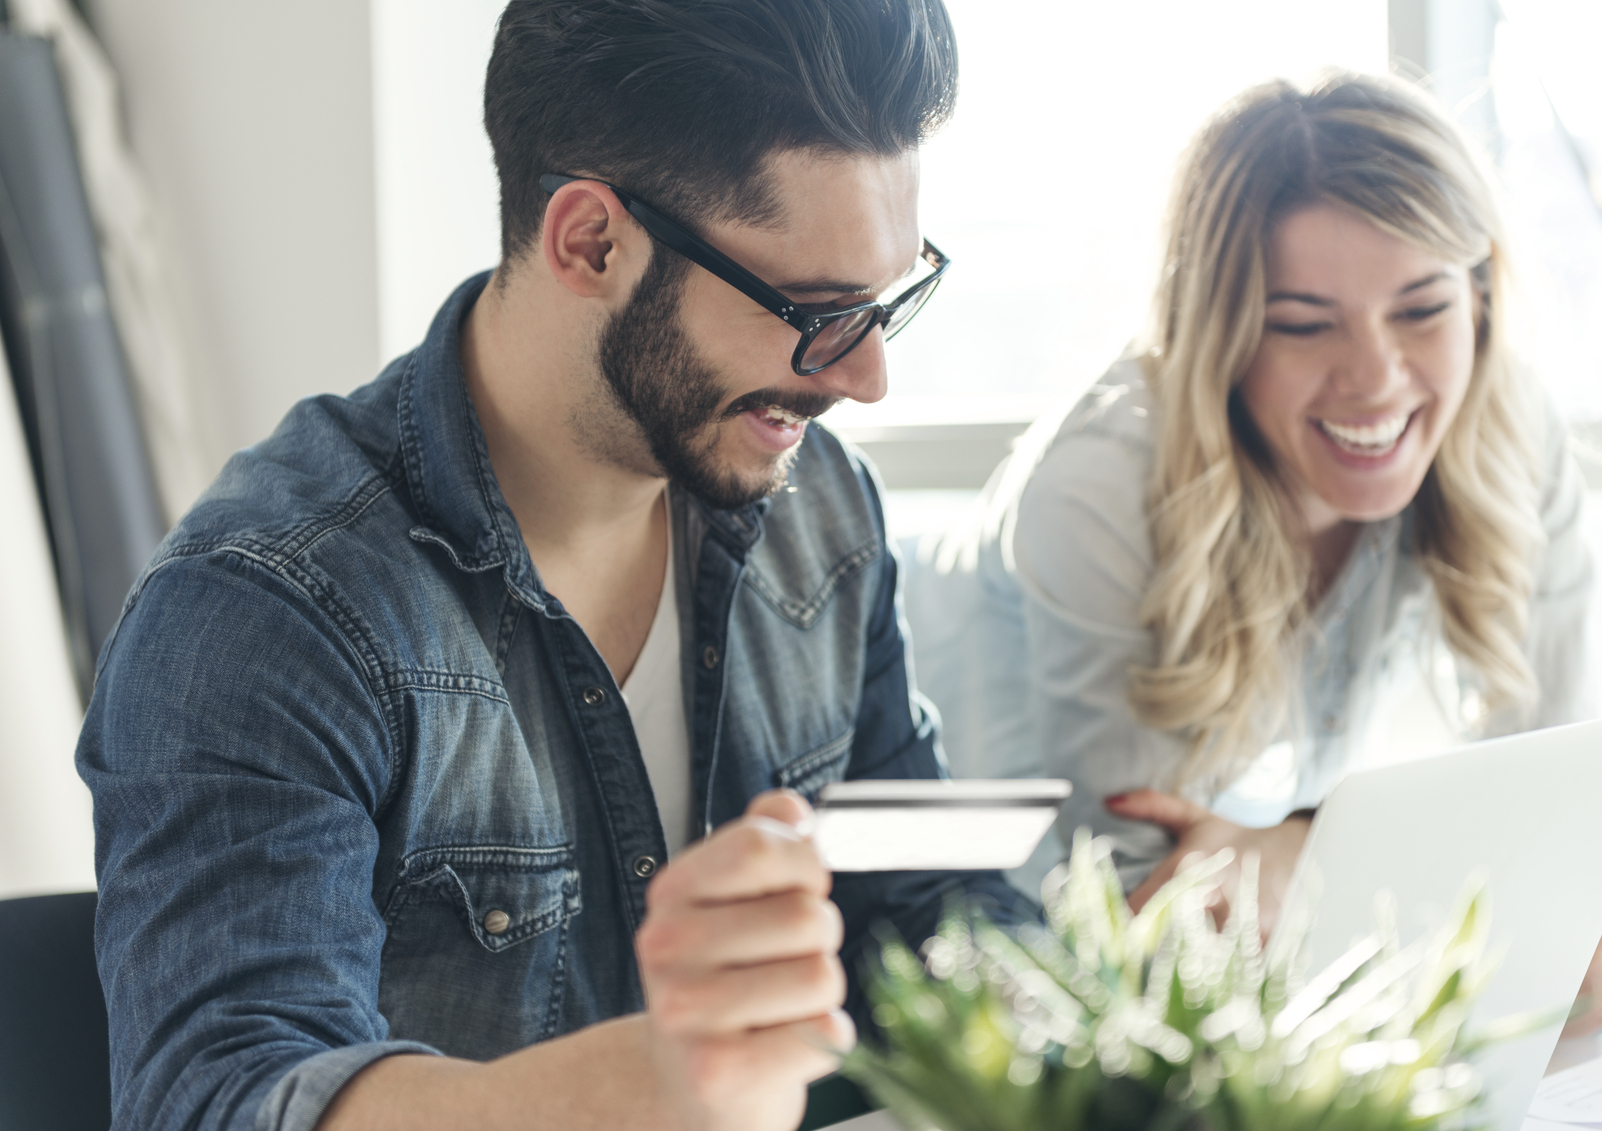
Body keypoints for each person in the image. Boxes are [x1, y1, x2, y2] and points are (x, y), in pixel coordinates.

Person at [75, 3, 1030, 1129]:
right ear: (591, 242)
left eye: (885, 301)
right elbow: (225, 1098)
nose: (866, 379)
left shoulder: (821, 515)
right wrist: (657, 1088)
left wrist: (1127, 1018)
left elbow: (930, 903)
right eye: (816, 314)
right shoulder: (267, 609)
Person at [905, 72, 1602, 1038]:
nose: (1375, 379)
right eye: (1304, 323)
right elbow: (1152, 922)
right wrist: (1347, 866)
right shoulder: (1103, 482)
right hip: (930, 881)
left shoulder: (1502, 422)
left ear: (1480, 296)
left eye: (1422, 309)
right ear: (1221, 331)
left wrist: (1298, 854)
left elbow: (1563, 813)